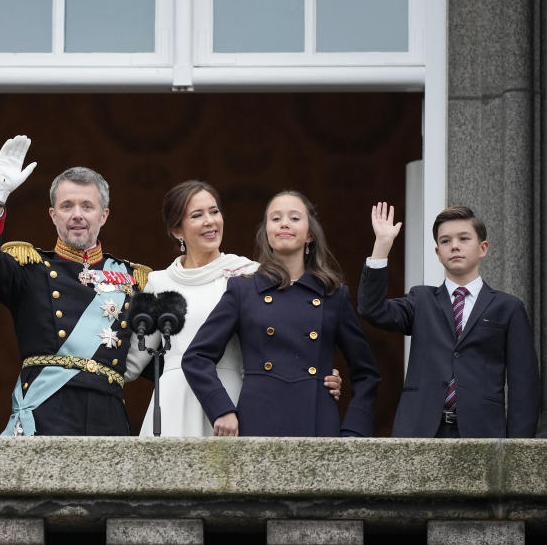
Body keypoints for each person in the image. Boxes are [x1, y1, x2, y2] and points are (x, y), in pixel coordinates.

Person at [0, 135, 149, 436]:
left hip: (108, 417)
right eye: (67, 206)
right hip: (47, 412)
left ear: (104, 216)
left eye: (87, 206)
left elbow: (159, 358)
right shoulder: (30, 269)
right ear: (53, 215)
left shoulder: (132, 279)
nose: (77, 214)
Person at [125, 181, 343, 436]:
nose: (210, 221)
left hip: (231, 401)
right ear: (176, 231)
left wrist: (319, 374)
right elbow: (132, 363)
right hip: (175, 401)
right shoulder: (158, 282)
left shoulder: (251, 275)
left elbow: (287, 336)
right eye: (197, 215)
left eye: (214, 211)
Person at [181, 190, 380, 437]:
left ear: (310, 234)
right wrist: (221, 409)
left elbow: (367, 374)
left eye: (295, 218)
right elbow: (196, 357)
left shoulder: (333, 296)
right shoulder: (243, 290)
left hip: (318, 424)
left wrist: (354, 432)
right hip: (258, 421)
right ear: (267, 232)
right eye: (275, 218)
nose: (284, 223)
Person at [357, 202, 540, 438]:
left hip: (483, 433)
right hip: (420, 430)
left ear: (483, 248)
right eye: (445, 241)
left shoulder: (508, 307)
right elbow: (372, 309)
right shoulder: (421, 300)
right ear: (438, 254)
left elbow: (524, 384)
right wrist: (382, 246)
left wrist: (519, 449)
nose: (454, 246)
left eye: (464, 239)